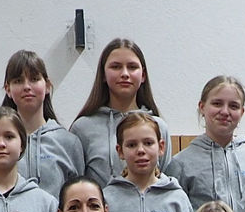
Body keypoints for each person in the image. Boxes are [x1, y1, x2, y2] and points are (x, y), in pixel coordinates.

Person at [70, 38, 172, 186]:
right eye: (116, 67)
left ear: (143, 75)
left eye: (132, 67)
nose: (124, 74)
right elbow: (76, 186)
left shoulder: (159, 126)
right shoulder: (83, 128)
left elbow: (165, 184)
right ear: (103, 75)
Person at [165, 75, 245, 212]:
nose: (225, 112)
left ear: (242, 112)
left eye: (233, 106)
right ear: (202, 107)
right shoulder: (181, 163)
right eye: (217, 104)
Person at [2, 49, 85, 199]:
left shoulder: (68, 142)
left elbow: (78, 196)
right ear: (8, 89)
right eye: (18, 81)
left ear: (47, 85)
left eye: (34, 79)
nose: (27, 87)